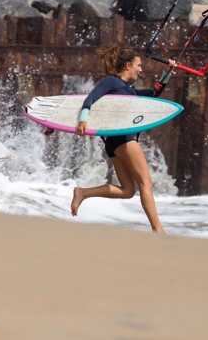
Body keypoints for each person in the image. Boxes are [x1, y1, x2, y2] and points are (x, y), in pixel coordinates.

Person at [70, 45, 172, 233]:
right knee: (146, 183)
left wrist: (168, 73)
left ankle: (83, 193)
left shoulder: (128, 90)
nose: (141, 70)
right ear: (127, 66)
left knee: (128, 191)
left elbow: (154, 93)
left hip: (114, 142)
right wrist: (83, 119)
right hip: (123, 138)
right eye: (138, 66)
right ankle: (158, 230)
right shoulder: (112, 82)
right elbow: (90, 98)